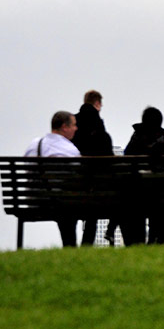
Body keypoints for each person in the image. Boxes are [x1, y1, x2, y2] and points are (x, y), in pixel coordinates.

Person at [24, 111, 81, 247]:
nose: (76, 128)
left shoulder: (34, 144)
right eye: (74, 125)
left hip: (35, 200)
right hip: (60, 204)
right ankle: (70, 246)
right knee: (68, 209)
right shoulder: (70, 150)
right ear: (64, 127)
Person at [123, 107, 164, 245]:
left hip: (137, 191)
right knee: (157, 208)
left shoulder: (137, 134)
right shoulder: (162, 134)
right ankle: (154, 240)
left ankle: (138, 241)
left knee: (136, 209)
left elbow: (127, 157)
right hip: (157, 191)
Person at [71, 90, 114, 246]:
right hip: (94, 184)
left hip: (74, 184)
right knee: (92, 212)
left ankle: (70, 244)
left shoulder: (73, 121)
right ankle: (86, 244)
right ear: (97, 103)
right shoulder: (98, 123)